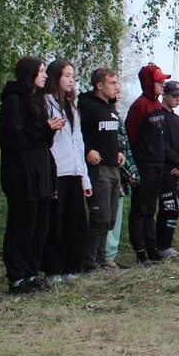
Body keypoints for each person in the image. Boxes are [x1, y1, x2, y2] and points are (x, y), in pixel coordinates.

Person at [0, 56, 61, 293]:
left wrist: (50, 128)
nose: (45, 75)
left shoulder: (38, 100)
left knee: (39, 227)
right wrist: (44, 128)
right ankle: (17, 277)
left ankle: (31, 273)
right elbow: (12, 138)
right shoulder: (13, 101)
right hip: (21, 176)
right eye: (41, 71)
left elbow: (42, 139)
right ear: (29, 73)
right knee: (22, 227)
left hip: (40, 173)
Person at [43, 60, 92, 281]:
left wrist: (85, 177)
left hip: (74, 171)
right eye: (67, 75)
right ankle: (53, 268)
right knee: (56, 222)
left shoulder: (73, 107)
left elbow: (79, 142)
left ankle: (73, 267)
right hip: (56, 170)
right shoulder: (45, 103)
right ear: (56, 78)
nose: (71, 80)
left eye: (73, 76)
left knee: (76, 221)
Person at [125, 63, 174, 264]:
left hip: (158, 164)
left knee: (151, 208)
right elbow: (131, 136)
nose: (163, 84)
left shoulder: (157, 105)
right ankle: (140, 251)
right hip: (143, 165)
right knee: (140, 208)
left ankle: (152, 247)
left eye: (163, 81)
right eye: (158, 81)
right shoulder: (139, 106)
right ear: (148, 82)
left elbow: (160, 139)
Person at [79, 68, 125, 270]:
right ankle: (89, 261)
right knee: (100, 216)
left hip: (114, 168)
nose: (117, 86)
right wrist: (87, 150)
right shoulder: (86, 105)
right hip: (98, 170)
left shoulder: (111, 107)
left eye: (117, 82)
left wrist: (120, 151)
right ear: (99, 85)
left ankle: (101, 258)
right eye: (112, 83)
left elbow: (111, 135)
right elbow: (75, 132)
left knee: (111, 218)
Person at [157, 80, 179, 259]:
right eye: (174, 96)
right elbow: (161, 145)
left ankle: (165, 245)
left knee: (175, 208)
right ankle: (161, 246)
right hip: (163, 171)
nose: (177, 99)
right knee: (168, 208)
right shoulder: (158, 116)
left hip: (176, 171)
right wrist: (177, 162)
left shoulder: (177, 119)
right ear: (165, 95)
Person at [106, 96, 140, 268]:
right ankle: (105, 257)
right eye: (113, 86)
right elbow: (118, 148)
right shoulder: (105, 116)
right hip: (109, 174)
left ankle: (110, 256)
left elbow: (125, 148)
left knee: (116, 218)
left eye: (119, 91)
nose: (118, 94)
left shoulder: (116, 116)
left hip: (120, 177)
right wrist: (131, 172)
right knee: (107, 217)